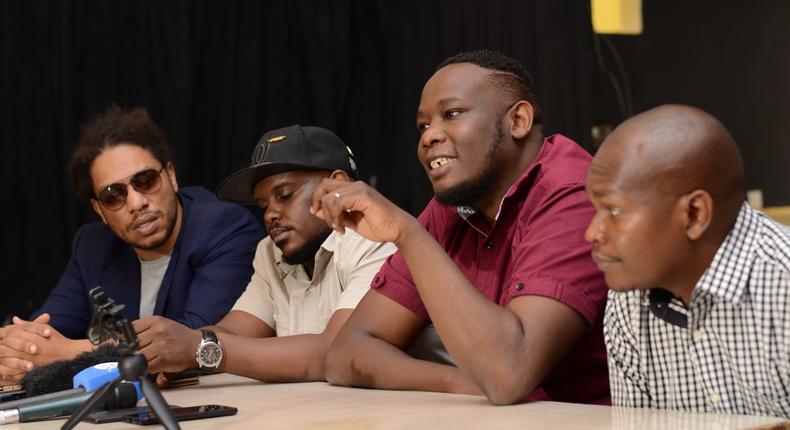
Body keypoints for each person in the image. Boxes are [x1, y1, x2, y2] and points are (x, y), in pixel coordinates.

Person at [317, 50, 610, 405]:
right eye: (424, 125)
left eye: (451, 114)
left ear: (518, 120)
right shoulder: (453, 207)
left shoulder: (571, 193)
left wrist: (407, 233)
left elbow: (508, 374)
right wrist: (459, 382)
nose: (429, 137)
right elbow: (347, 353)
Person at [0, 106, 263, 384]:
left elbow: (189, 343)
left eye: (146, 181)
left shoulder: (224, 227)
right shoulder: (92, 245)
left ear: (171, 176)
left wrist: (69, 352)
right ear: (100, 209)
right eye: (114, 196)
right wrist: (18, 346)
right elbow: (45, 331)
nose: (137, 203)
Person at [130, 125, 396, 383]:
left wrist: (201, 349)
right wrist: (172, 347)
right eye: (263, 205)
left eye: (285, 195)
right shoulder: (269, 252)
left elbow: (336, 350)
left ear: (338, 186)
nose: (270, 214)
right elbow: (233, 331)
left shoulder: (376, 240)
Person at [585, 104, 790, 417]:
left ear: (695, 214)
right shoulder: (626, 302)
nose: (592, 233)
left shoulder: (782, 286)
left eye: (613, 211)